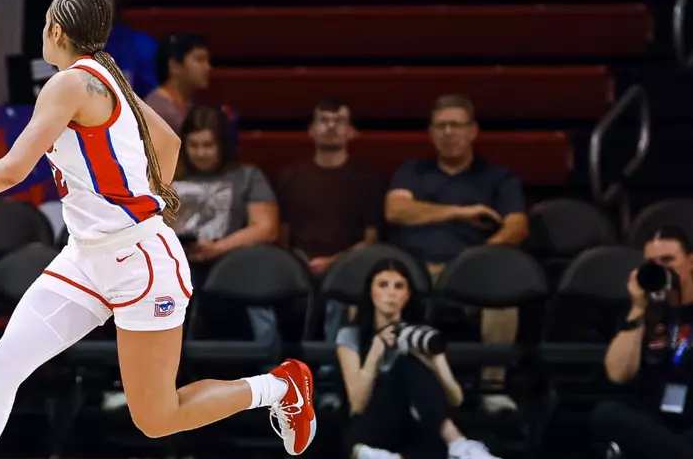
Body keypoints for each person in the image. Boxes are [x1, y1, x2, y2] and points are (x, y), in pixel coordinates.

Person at [0, 0, 315, 459]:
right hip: (85, 258)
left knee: (156, 417)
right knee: (5, 365)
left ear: (56, 32)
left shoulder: (68, 82)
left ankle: (280, 387)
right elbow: (171, 146)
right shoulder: (113, 79)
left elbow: (13, 170)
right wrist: (136, 190)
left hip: (142, 264)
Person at [336, 259, 504, 459]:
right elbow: (358, 404)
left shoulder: (420, 335)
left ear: (407, 295)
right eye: (382, 285)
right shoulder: (351, 335)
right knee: (358, 442)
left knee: (488, 441)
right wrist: (374, 354)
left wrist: (435, 362)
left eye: (399, 286)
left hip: (412, 423)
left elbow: (456, 398)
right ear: (370, 292)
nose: (391, 293)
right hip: (373, 423)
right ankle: (457, 444)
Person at [386, 94, 528, 345]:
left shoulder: (499, 177)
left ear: (473, 131)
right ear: (431, 133)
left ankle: (492, 382)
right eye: (441, 126)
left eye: (456, 125)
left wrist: (476, 261)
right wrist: (462, 212)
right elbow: (395, 210)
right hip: (413, 270)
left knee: (505, 297)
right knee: (372, 289)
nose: (448, 132)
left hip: (472, 270)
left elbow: (517, 227)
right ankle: (379, 376)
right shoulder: (412, 172)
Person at [171, 104, 281, 347]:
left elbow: (266, 227)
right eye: (194, 145)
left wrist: (217, 248)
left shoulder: (247, 176)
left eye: (208, 145)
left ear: (223, 145)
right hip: (176, 267)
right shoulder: (169, 177)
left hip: (234, 268)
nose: (201, 153)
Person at [274, 98, 385, 338]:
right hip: (298, 267)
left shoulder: (369, 178)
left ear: (352, 132)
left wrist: (335, 262)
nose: (331, 126)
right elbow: (282, 236)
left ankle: (334, 364)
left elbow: (371, 239)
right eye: (324, 120)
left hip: (349, 268)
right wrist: (299, 264)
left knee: (346, 287)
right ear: (311, 131)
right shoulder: (290, 177)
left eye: (339, 121)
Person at [592, 227, 693, 459]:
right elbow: (618, 374)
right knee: (606, 414)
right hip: (655, 418)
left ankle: (667, 458)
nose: (661, 268)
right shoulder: (638, 312)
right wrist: (638, 311)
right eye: (652, 263)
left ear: (690, 262)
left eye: (668, 260)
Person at [142, 32, 210, 134]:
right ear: (174, 66)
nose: (207, 67)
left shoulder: (187, 104)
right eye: (199, 60)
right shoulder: (157, 109)